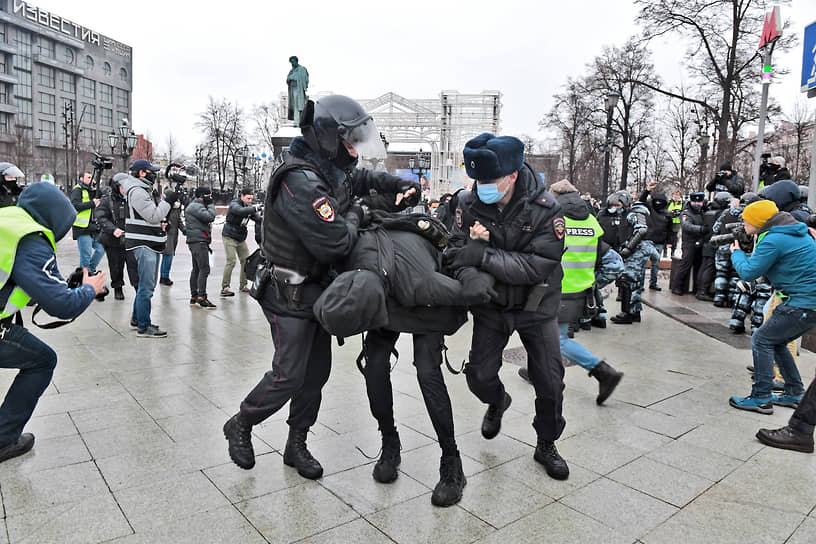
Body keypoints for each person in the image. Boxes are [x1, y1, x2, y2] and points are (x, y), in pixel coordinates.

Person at [223, 95, 419, 478]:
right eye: (349, 143)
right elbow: (335, 242)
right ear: (329, 137)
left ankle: (296, 444)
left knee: (316, 374)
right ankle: (242, 423)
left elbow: (358, 180)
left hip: (314, 291)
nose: (353, 151)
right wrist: (359, 211)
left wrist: (396, 183)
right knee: (289, 373)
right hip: (286, 292)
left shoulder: (327, 168)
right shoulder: (300, 181)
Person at [313, 202, 480, 507]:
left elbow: (468, 294)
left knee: (427, 372)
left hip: (423, 297)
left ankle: (452, 460)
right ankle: (390, 440)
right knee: (375, 365)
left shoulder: (425, 284)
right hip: (380, 282)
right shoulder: (347, 262)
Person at [445, 133, 569, 481]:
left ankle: (546, 442)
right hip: (492, 305)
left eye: (490, 180)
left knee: (549, 380)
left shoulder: (546, 209)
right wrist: (470, 271)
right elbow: (454, 249)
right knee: (479, 376)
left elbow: (537, 265)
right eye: (478, 180)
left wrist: (482, 255)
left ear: (513, 175)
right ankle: (497, 401)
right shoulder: (468, 203)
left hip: (537, 305)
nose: (482, 186)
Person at [0, 182, 106, 462]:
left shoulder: (8, 219)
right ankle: (3, 440)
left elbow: (14, 275)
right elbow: (62, 305)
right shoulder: (31, 238)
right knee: (43, 360)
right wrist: (89, 289)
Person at [518, 179, 623, 404]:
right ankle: (536, 370)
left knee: (559, 340)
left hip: (554, 290)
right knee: (541, 331)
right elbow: (615, 264)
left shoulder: (553, 219)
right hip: (578, 292)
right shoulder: (592, 221)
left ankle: (603, 372)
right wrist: (594, 284)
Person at [728, 200, 816, 414]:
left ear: (758, 221)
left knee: (762, 339)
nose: (744, 226)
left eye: (747, 221)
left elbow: (749, 272)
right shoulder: (793, 232)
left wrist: (736, 253)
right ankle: (794, 392)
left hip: (801, 302)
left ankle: (761, 396)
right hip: (808, 303)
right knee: (777, 341)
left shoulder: (774, 239)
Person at [119, 159, 170, 338]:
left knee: (145, 285)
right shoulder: (138, 191)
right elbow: (153, 216)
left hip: (149, 241)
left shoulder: (143, 190)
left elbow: (151, 218)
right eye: (151, 171)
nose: (153, 174)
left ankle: (136, 318)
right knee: (147, 287)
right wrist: (168, 201)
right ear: (141, 172)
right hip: (143, 243)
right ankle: (143, 326)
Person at [608, 191, 655, 325]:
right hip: (636, 250)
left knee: (627, 280)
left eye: (618, 205)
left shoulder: (635, 212)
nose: (616, 208)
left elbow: (641, 230)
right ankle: (634, 312)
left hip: (637, 251)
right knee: (635, 282)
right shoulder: (627, 213)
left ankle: (627, 313)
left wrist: (629, 247)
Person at [97, 175, 139, 300]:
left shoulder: (132, 199)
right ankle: (117, 287)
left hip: (130, 239)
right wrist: (113, 229)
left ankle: (138, 286)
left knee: (134, 265)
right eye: (122, 187)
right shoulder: (106, 200)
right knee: (115, 265)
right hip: (113, 240)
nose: (125, 189)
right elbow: (100, 217)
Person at [221, 188, 261, 296]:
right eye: (248, 198)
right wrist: (254, 208)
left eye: (251, 199)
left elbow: (258, 218)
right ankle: (225, 287)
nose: (249, 201)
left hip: (240, 237)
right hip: (229, 236)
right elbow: (240, 211)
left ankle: (243, 285)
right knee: (231, 261)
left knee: (245, 260)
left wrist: (264, 216)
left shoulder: (248, 207)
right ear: (242, 196)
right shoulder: (235, 204)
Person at [185, 187, 217, 309]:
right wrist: (211, 205)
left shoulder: (194, 206)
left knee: (197, 269)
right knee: (204, 269)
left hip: (195, 241)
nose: (210, 198)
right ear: (202, 196)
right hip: (199, 241)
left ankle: (194, 296)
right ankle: (201, 297)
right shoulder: (196, 206)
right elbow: (210, 217)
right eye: (208, 195)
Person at [639, 182, 674, 291]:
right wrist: (647, 190)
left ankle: (653, 283)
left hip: (659, 241)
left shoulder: (667, 214)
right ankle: (640, 285)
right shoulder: (650, 209)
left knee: (655, 264)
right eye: (657, 201)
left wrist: (670, 242)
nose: (658, 203)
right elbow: (641, 201)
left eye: (660, 202)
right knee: (643, 264)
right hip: (647, 240)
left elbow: (670, 230)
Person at [696, 191, 731, 301]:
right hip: (714, 242)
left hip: (706, 242)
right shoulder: (720, 213)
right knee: (709, 268)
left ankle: (700, 289)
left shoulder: (708, 211)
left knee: (704, 266)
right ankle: (703, 291)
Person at [670, 192, 706, 295]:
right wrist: (701, 229)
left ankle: (695, 288)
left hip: (700, 242)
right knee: (685, 265)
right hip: (689, 242)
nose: (697, 204)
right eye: (695, 201)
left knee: (698, 267)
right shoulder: (686, 213)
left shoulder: (702, 212)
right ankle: (676, 286)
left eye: (699, 202)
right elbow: (687, 226)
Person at [70, 172, 105, 275]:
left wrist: (96, 189)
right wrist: (91, 203)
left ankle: (91, 270)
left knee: (101, 249)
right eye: (88, 177)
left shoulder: (91, 190)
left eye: (91, 177)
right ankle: (85, 277)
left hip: (94, 227)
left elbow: (101, 198)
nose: (91, 179)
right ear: (81, 178)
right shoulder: (77, 189)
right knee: (86, 255)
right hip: (82, 228)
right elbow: (75, 206)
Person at [159, 190, 185, 286]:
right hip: (166, 234)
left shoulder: (176, 208)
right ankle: (164, 276)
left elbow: (178, 221)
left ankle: (164, 276)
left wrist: (184, 230)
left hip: (174, 235)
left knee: (168, 256)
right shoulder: (163, 207)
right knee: (168, 255)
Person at [286, 55, 309, 123]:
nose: (292, 63)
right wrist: (289, 79)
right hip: (292, 89)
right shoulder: (291, 71)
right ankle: (297, 119)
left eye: (293, 62)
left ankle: (297, 120)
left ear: (296, 61)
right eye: (291, 62)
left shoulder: (302, 69)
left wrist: (293, 77)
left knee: (298, 104)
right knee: (294, 104)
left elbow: (305, 79)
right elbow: (288, 78)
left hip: (298, 88)